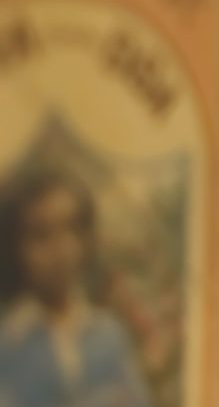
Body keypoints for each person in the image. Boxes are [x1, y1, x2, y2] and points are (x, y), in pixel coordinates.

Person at [0, 173, 150, 407]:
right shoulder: (9, 341)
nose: (61, 250)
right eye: (41, 235)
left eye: (72, 230)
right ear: (15, 246)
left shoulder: (108, 334)